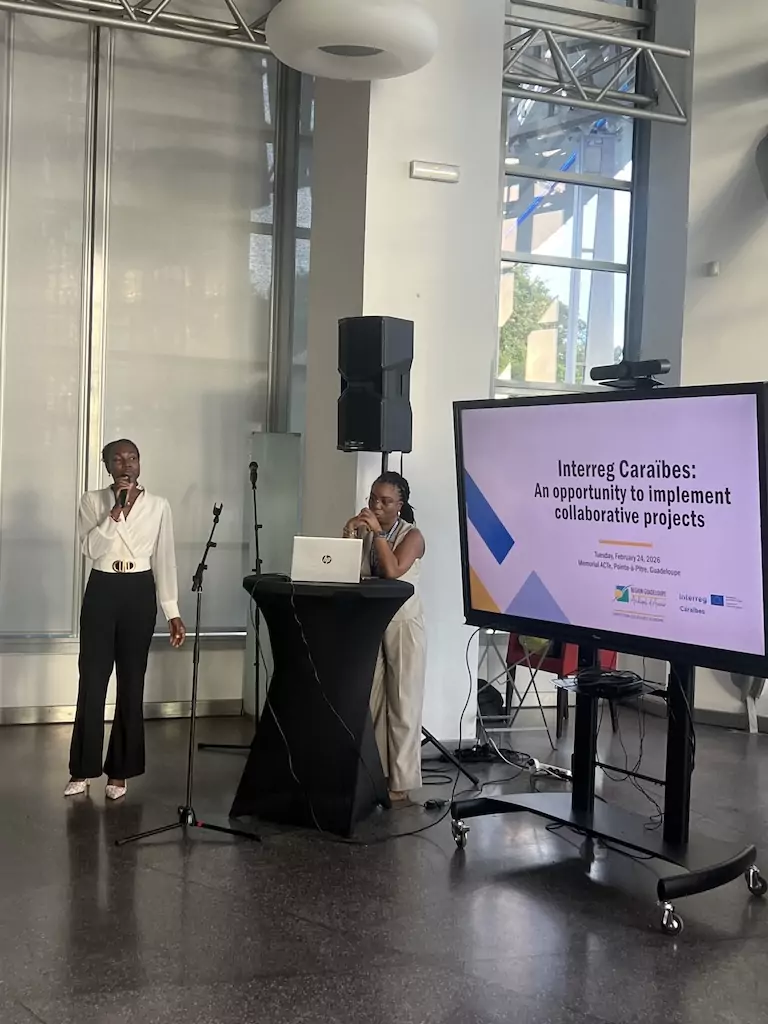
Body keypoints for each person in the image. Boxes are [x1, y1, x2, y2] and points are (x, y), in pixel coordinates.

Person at [65, 439, 186, 800]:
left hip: (139, 591)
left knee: (132, 682)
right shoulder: (92, 501)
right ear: (107, 466)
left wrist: (172, 611)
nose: (126, 464)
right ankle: (82, 769)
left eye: (132, 458)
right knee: (92, 680)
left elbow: (165, 558)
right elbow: (90, 549)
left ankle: (120, 772)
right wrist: (115, 512)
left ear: (139, 463)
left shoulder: (158, 506)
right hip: (102, 589)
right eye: (118, 459)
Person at [344, 471, 426, 802]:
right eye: (373, 499)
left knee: (403, 704)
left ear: (400, 505)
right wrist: (350, 534)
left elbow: (392, 571)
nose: (377, 505)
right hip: (372, 623)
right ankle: (375, 774)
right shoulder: (367, 533)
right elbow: (346, 573)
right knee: (373, 701)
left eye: (386, 501)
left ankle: (401, 783)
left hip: (403, 625)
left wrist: (377, 534)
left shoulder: (412, 536)